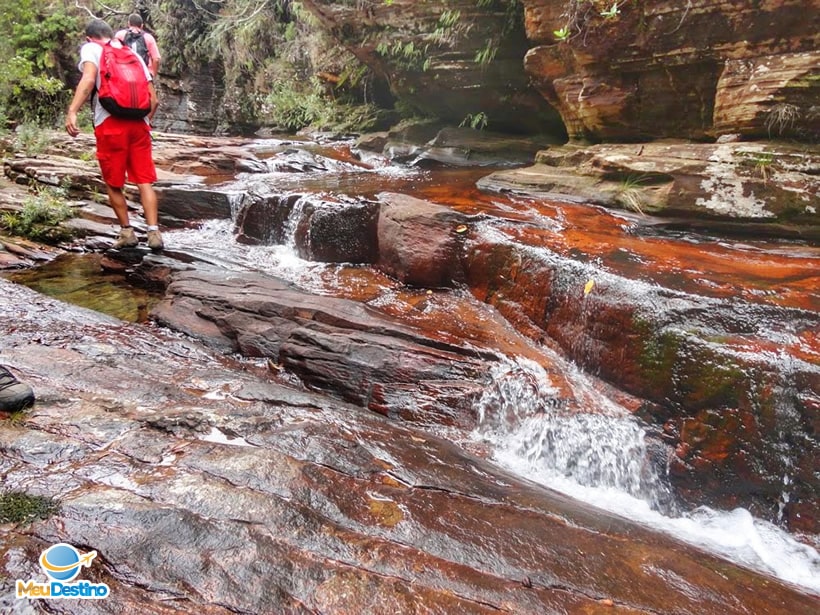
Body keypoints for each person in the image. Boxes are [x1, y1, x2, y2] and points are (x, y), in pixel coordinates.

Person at [65, 18, 163, 251]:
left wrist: (72, 111)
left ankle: (127, 233)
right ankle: (154, 233)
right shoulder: (134, 54)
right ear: (111, 34)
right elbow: (154, 100)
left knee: (113, 182)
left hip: (110, 124)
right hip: (139, 125)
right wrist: (145, 122)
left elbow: (89, 80)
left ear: (89, 37)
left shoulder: (91, 48)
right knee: (144, 181)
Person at [116, 13, 161, 79]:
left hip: (124, 75)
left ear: (128, 24)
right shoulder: (148, 37)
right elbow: (156, 59)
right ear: (142, 26)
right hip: (144, 75)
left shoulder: (120, 35)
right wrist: (153, 74)